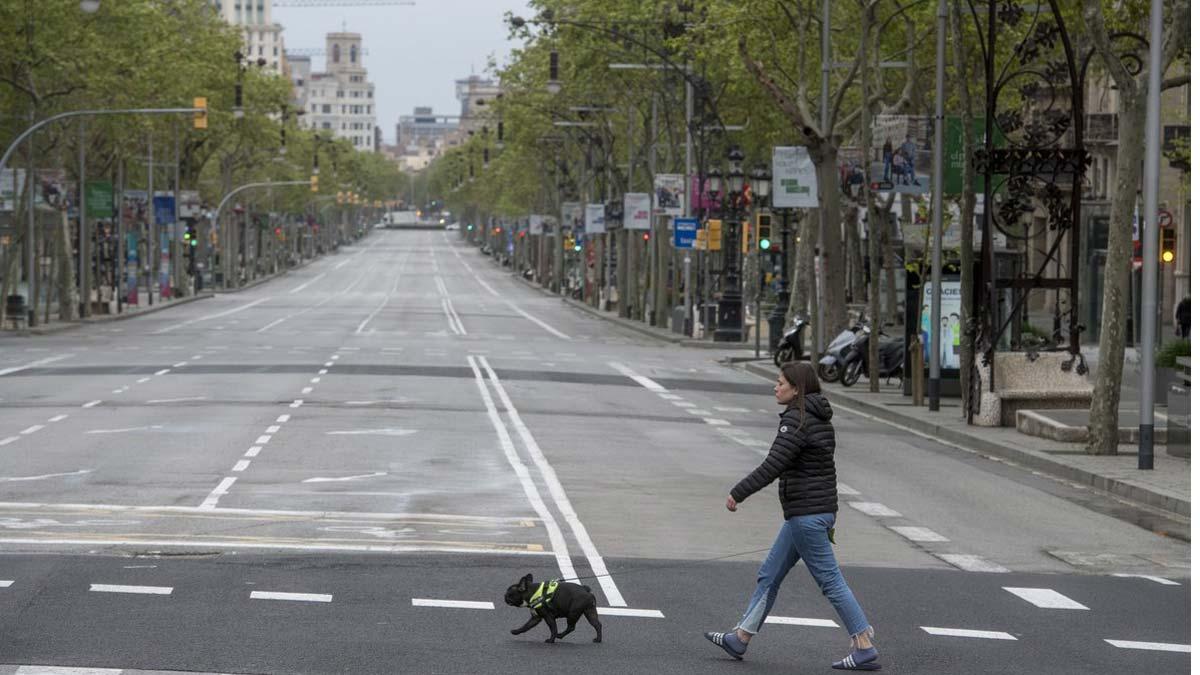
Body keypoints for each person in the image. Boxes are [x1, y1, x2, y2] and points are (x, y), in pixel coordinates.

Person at [704, 362, 879, 671]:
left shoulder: (796, 421)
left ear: (796, 388)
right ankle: (740, 637)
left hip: (807, 516)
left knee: (830, 581)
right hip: (813, 511)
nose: (775, 386)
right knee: (769, 575)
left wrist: (738, 492)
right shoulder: (817, 417)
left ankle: (863, 644)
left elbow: (774, 464)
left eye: (780, 382)